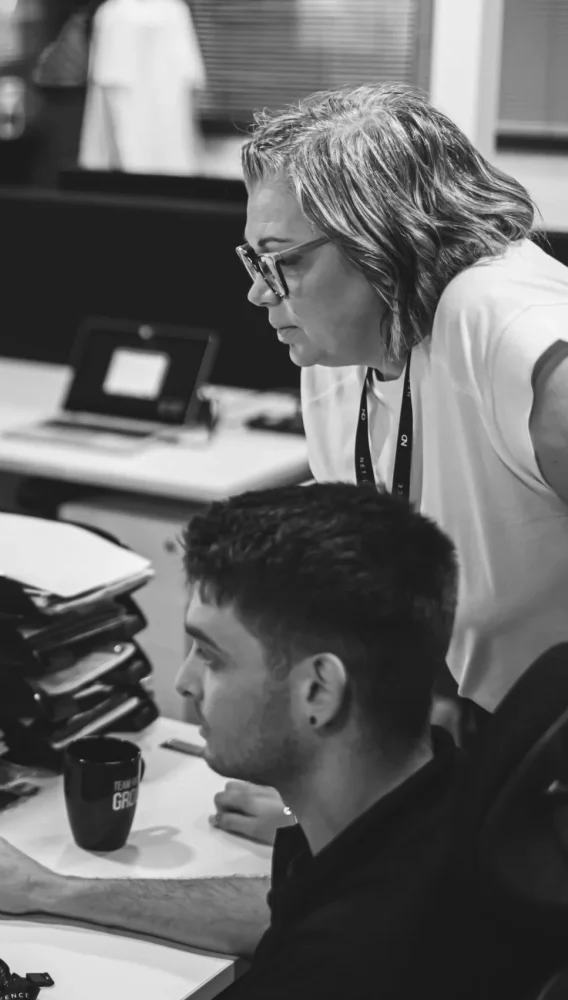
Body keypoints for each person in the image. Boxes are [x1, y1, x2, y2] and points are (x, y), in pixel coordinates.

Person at [0, 483, 482, 999]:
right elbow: (280, 911)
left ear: (318, 690)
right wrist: (52, 890)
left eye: (211, 656)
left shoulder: (340, 966)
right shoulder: (440, 803)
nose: (184, 682)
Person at [213, 82, 568, 844]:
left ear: (384, 238)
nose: (257, 292)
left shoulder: (502, 326)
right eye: (253, 258)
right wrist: (343, 806)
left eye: (281, 261)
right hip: (477, 788)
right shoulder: (337, 360)